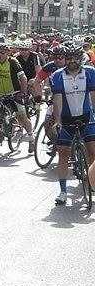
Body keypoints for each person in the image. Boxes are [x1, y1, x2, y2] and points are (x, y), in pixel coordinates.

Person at [48, 44, 95, 205]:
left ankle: (92, 184)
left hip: (87, 117)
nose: (72, 61)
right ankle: (62, 191)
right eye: (69, 58)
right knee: (63, 154)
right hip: (67, 120)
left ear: (80, 58)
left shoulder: (90, 72)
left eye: (75, 57)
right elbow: (57, 99)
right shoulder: (57, 75)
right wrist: (58, 121)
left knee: (92, 152)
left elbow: (94, 96)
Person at [0, 42, 35, 153]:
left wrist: (22, 92)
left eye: (3, 53)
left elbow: (23, 78)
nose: (0, 55)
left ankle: (31, 138)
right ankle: (0, 131)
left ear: (7, 53)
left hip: (14, 93)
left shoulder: (13, 62)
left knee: (22, 117)